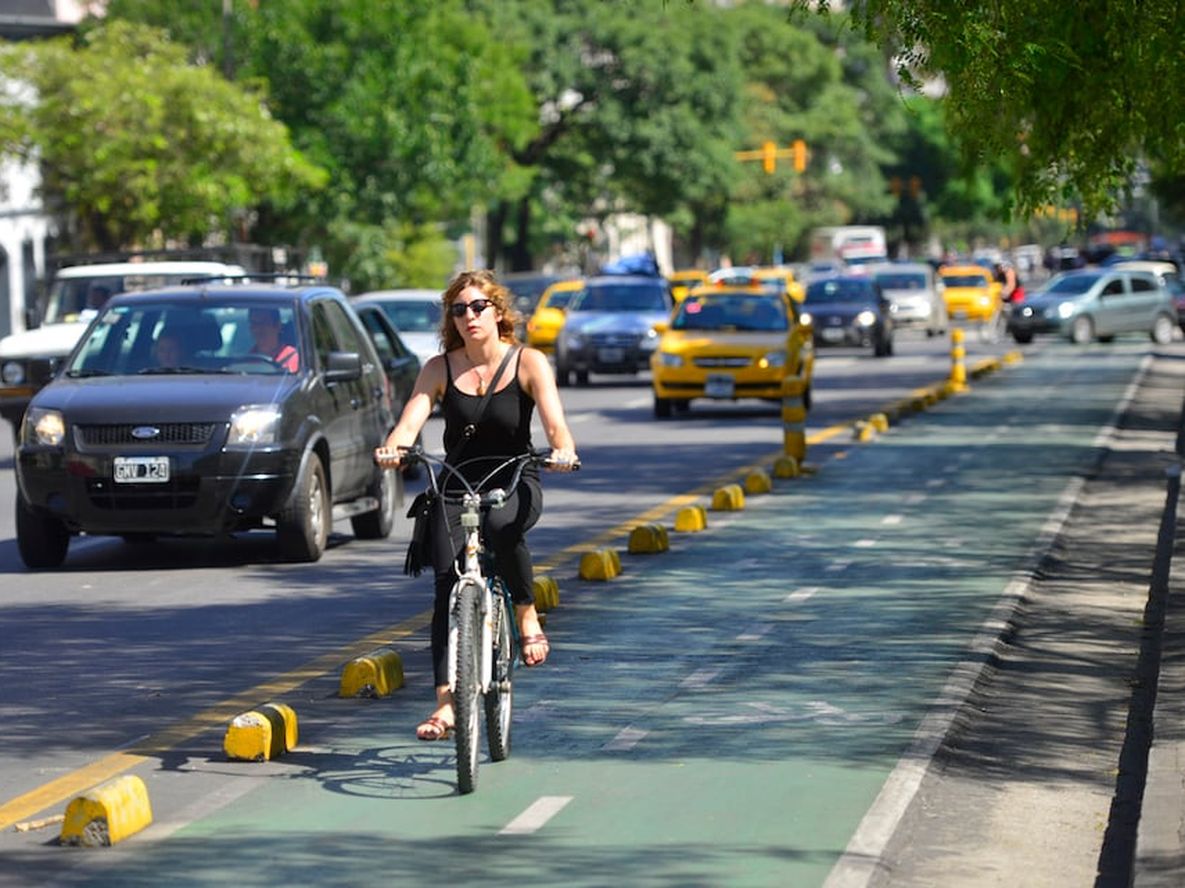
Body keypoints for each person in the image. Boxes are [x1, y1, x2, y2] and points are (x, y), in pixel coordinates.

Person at [374, 269, 579, 742]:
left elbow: (555, 424)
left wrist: (563, 450)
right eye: (459, 310)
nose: (469, 316)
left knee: (503, 526)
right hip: (457, 481)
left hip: (514, 475)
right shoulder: (439, 368)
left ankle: (525, 614)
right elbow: (410, 421)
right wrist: (395, 448)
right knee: (447, 585)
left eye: (478, 307)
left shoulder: (528, 362)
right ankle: (445, 704)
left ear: (498, 312)